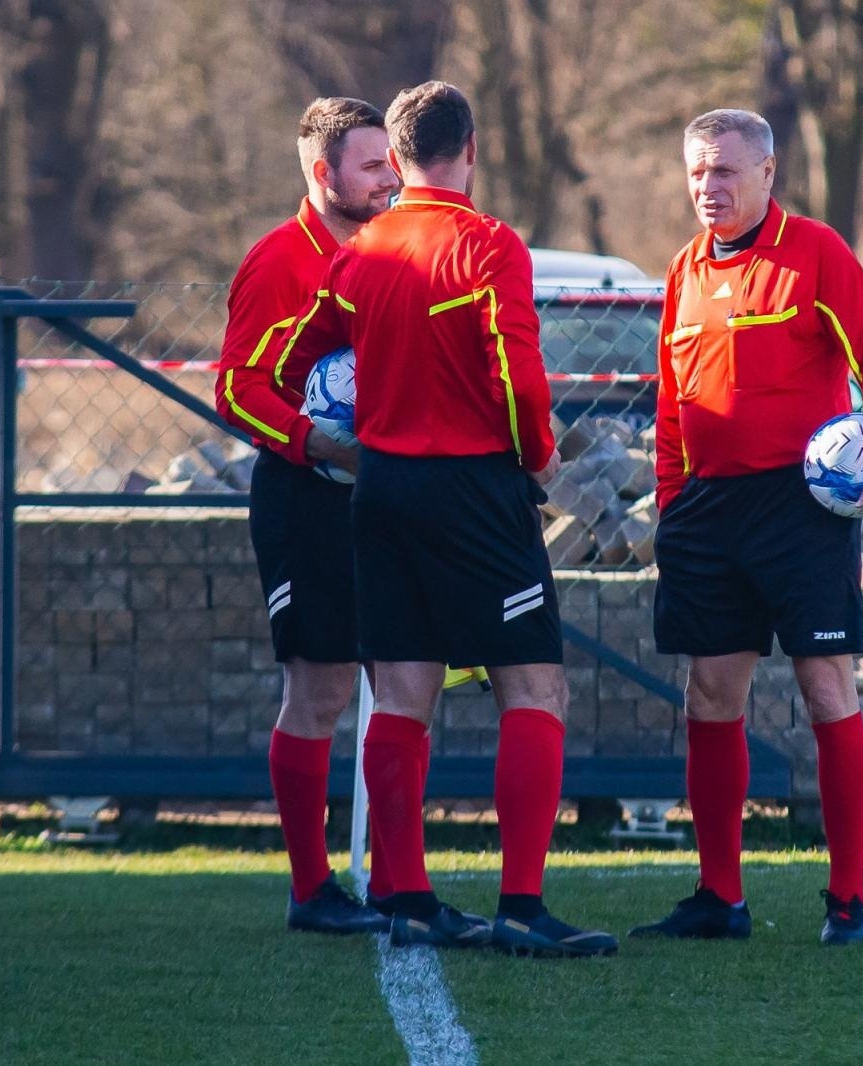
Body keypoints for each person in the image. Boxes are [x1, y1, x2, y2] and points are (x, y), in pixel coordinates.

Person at [280, 81, 617, 958]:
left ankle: (411, 901)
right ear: (472, 147)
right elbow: (516, 374)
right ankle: (521, 904)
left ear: (393, 160)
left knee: (401, 695)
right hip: (470, 486)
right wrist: (536, 450)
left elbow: (295, 358)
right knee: (533, 686)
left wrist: (331, 428)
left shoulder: (358, 253)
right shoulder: (489, 243)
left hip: (381, 489)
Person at [629, 109, 863, 946]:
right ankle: (720, 897)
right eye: (696, 175)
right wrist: (671, 499)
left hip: (799, 510)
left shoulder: (817, 252)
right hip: (709, 512)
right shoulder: (683, 270)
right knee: (712, 692)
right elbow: (672, 404)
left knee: (827, 687)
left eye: (724, 173)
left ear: (767, 174)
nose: (708, 190)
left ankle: (848, 900)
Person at [213, 97, 400, 934]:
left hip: (394, 500)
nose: (389, 178)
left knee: (404, 683)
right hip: (307, 500)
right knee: (319, 691)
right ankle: (311, 888)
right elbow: (236, 389)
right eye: (371, 166)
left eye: (392, 162)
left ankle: (403, 881)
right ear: (323, 175)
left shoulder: (399, 251)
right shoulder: (278, 261)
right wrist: (318, 441)